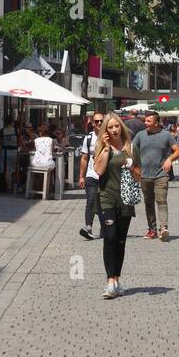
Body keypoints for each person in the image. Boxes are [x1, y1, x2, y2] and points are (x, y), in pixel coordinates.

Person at [94, 114, 140, 299]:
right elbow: (98, 171)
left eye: (116, 127)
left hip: (126, 199)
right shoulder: (101, 148)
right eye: (110, 127)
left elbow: (138, 176)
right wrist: (105, 149)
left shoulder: (131, 148)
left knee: (121, 240)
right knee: (110, 237)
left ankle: (117, 280)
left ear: (121, 127)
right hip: (107, 197)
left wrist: (131, 166)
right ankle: (109, 281)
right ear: (105, 130)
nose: (114, 130)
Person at [132, 110, 179, 241]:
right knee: (148, 203)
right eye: (145, 121)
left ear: (157, 122)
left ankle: (163, 227)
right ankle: (152, 229)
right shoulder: (140, 135)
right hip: (144, 175)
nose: (146, 123)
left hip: (161, 175)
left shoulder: (167, 135)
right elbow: (131, 150)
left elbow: (178, 151)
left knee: (161, 201)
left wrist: (170, 159)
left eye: (148, 121)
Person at [78, 111, 106, 239]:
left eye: (101, 120)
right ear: (92, 124)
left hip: (106, 175)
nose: (99, 123)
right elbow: (84, 158)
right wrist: (81, 176)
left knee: (104, 202)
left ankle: (105, 227)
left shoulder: (110, 135)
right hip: (91, 174)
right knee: (90, 200)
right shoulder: (88, 138)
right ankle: (88, 226)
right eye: (96, 121)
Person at [0, 113, 19, 193]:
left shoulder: (2, 131)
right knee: (15, 169)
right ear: (12, 122)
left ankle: (7, 187)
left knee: (6, 170)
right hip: (14, 151)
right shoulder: (16, 130)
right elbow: (19, 140)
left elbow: (0, 142)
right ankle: (14, 187)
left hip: (5, 152)